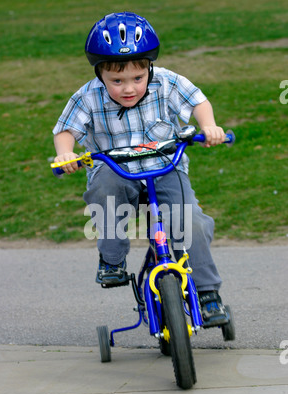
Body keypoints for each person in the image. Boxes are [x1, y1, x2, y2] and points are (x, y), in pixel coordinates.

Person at [53, 12, 228, 327]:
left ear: (149, 68)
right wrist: (66, 154)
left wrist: (209, 126)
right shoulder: (87, 96)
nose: (128, 88)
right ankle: (112, 260)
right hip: (115, 170)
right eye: (116, 81)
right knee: (104, 193)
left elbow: (197, 101)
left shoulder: (167, 81)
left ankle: (207, 293)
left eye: (137, 78)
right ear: (100, 74)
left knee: (193, 223)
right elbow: (66, 130)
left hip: (165, 168)